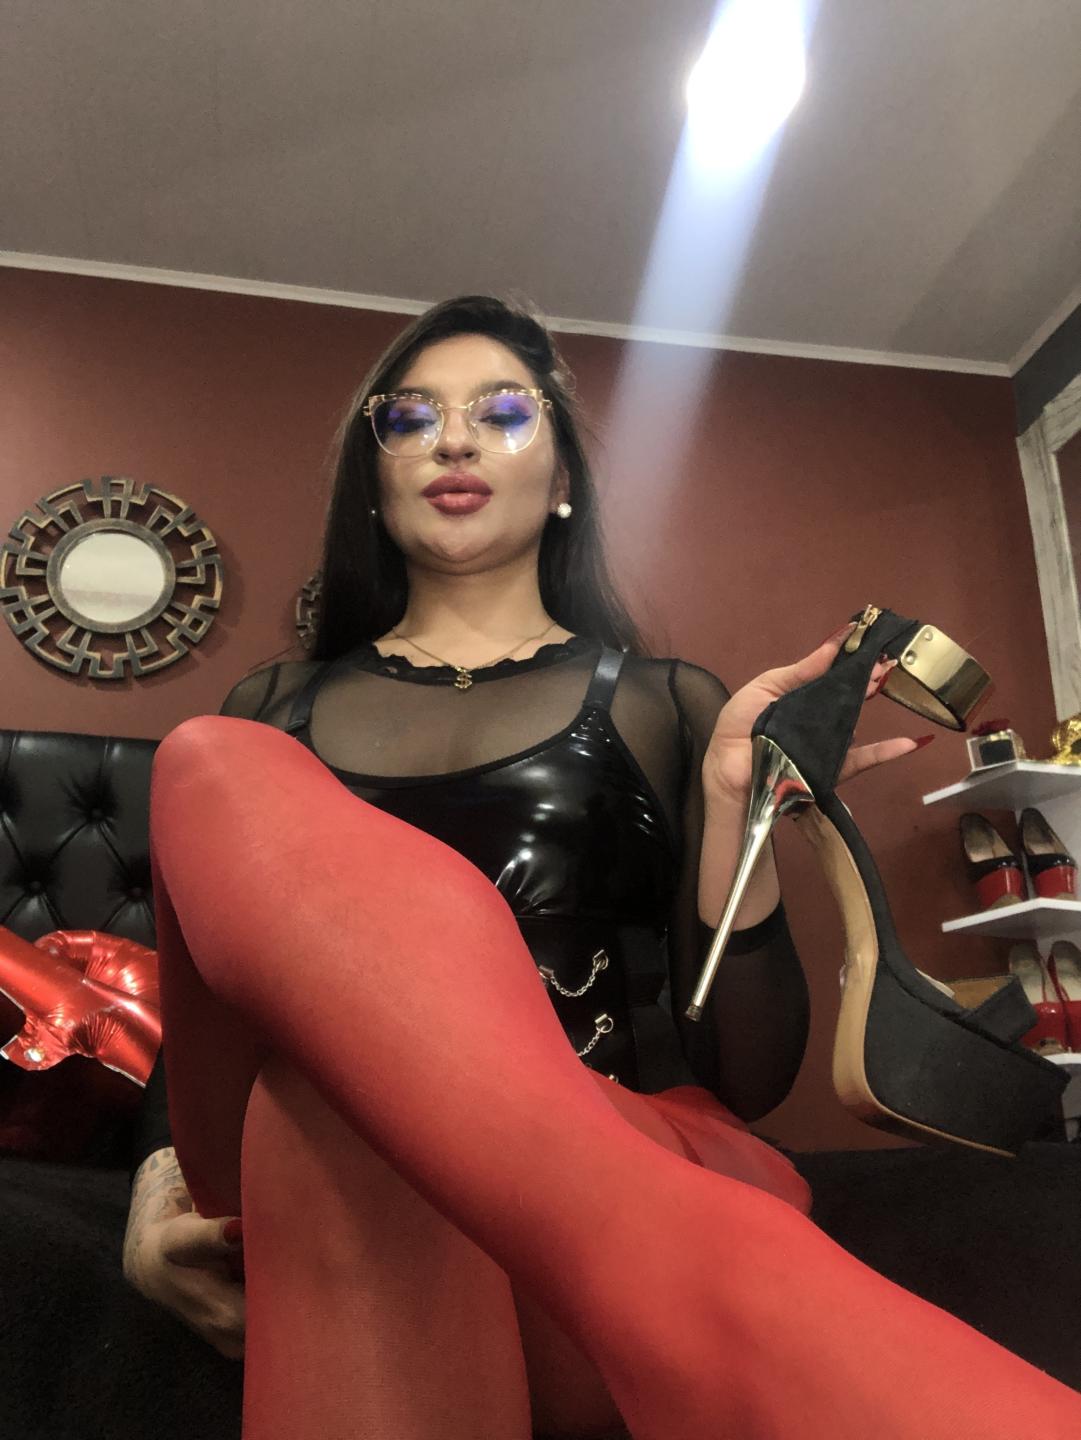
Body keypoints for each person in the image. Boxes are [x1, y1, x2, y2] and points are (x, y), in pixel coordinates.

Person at [124, 296, 1081, 1438]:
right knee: (212, 763)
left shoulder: (664, 703)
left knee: (317, 1114)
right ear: (373, 481)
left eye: (502, 413)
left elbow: (747, 1077)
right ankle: (705, 1287)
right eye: (411, 418)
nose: (453, 439)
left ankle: (644, 1244)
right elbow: (208, 1008)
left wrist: (733, 810)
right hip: (370, 1174)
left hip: (612, 1134)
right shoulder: (274, 706)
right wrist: (154, 1194)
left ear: (564, 479)